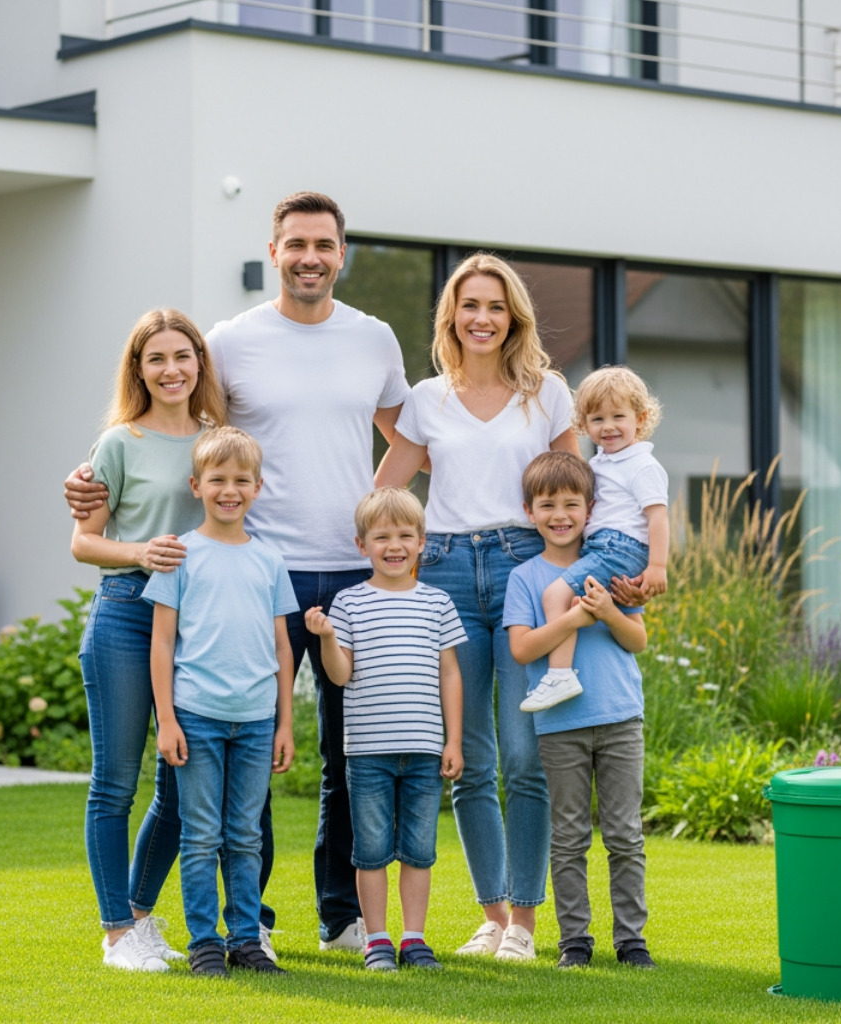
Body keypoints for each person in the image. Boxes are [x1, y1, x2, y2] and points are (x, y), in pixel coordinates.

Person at [66, 192, 410, 954]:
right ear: (275, 249)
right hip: (246, 579)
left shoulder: (375, 338)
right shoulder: (231, 339)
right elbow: (162, 422)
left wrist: (374, 513)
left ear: (341, 252)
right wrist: (88, 478)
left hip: (348, 573)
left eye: (324, 244)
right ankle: (238, 921)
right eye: (296, 244)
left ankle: (341, 916)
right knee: (235, 750)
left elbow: (407, 434)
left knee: (344, 759)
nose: (310, 257)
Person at [372, 253, 576, 961]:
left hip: (528, 569)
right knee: (469, 755)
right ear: (451, 318)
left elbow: (576, 488)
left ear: (512, 316)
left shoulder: (547, 394)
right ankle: (491, 914)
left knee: (525, 755)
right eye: (469, 306)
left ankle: (523, 921)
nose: (481, 318)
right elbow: (386, 496)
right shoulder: (427, 399)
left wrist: (609, 564)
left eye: (494, 306)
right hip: (450, 569)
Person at [70, 308, 227, 972]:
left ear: (200, 363)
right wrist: (141, 552)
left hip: (199, 623)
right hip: (128, 616)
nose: (171, 370)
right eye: (156, 358)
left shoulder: (219, 439)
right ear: (138, 368)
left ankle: (138, 917)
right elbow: (83, 541)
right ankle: (115, 934)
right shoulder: (119, 442)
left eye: (182, 356)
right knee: (115, 784)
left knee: (177, 782)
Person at [145, 426, 298, 977]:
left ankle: (246, 939)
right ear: (196, 485)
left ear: (258, 487)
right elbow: (162, 642)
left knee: (245, 835)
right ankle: (204, 941)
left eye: (241, 480)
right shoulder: (180, 556)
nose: (228, 490)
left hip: (257, 721)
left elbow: (282, 644)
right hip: (197, 716)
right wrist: (167, 720)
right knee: (201, 833)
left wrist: (285, 723)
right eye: (217, 480)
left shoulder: (270, 560)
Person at [504, 451, 656, 969]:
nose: (560, 515)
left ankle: (631, 940)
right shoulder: (526, 578)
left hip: (619, 717)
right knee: (568, 837)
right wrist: (575, 618)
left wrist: (609, 610)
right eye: (547, 505)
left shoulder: (613, 566)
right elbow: (524, 650)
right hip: (560, 724)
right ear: (529, 511)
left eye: (572, 504)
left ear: (591, 510)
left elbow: (636, 639)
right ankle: (575, 941)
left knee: (624, 834)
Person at [303, 488, 466, 971]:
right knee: (370, 851)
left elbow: (450, 673)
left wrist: (453, 739)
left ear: (421, 543)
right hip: (368, 752)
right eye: (381, 537)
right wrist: (328, 637)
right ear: (361, 545)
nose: (393, 546)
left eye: (405, 536)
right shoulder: (348, 603)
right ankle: (377, 939)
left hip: (422, 750)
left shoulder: (437, 603)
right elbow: (339, 675)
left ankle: (414, 939)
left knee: (419, 850)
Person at [521, 366, 670, 713]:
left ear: (641, 418)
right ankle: (564, 671)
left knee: (554, 593)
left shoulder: (641, 465)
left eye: (619, 416)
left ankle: (560, 675)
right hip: (603, 548)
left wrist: (658, 566)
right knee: (577, 603)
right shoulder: (602, 462)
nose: (608, 427)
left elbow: (657, 516)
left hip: (619, 547)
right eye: (597, 419)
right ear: (583, 424)